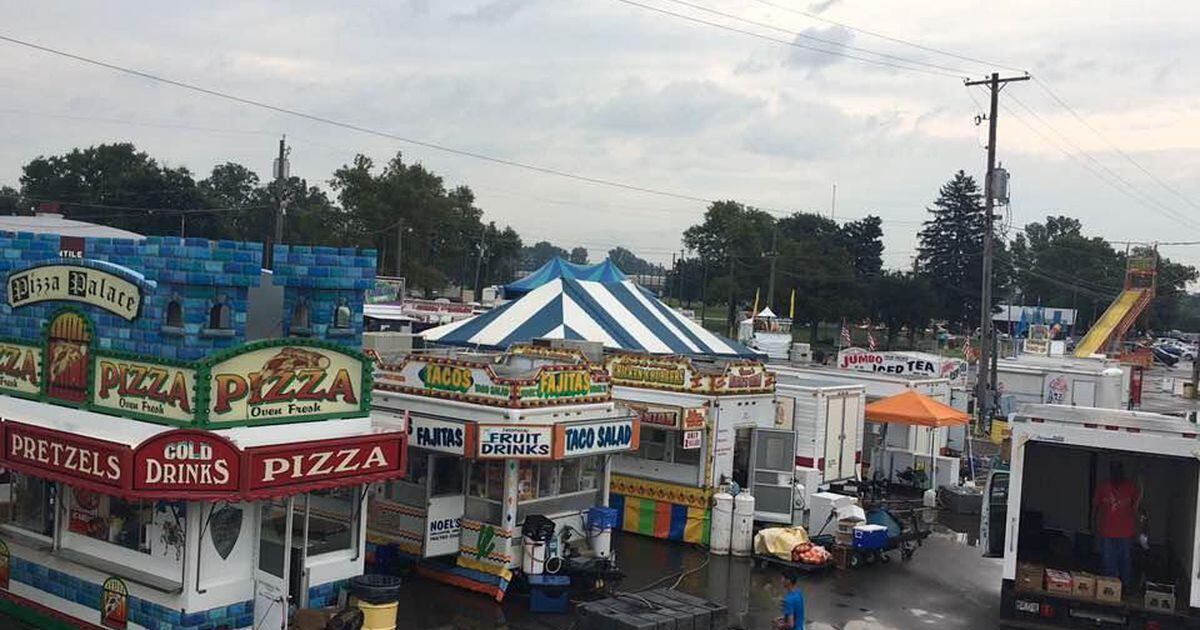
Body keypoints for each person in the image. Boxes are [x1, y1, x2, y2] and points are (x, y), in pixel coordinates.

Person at [1093, 461, 1141, 589]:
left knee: (1125, 561)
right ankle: (1109, 588)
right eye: (1113, 470)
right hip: (1107, 532)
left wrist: (1138, 530)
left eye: (1118, 470)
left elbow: (1138, 509)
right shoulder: (1103, 487)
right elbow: (1096, 508)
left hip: (1126, 533)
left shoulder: (1131, 487)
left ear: (1122, 472)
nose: (1116, 474)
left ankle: (1126, 587)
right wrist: (1094, 526)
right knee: (1108, 561)